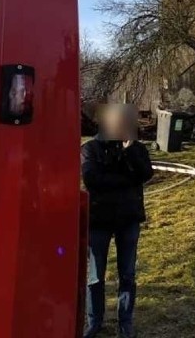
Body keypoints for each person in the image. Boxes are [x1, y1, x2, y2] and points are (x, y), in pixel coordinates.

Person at [82, 105, 154, 338]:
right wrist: (126, 179)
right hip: (99, 220)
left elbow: (145, 174)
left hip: (128, 219)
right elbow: (93, 180)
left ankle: (125, 322)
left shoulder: (137, 149)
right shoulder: (90, 149)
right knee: (95, 276)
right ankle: (94, 321)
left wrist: (130, 152)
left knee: (127, 274)